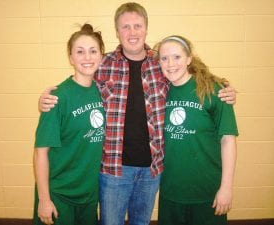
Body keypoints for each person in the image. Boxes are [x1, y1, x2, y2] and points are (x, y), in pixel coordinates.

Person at [38, 3, 237, 225]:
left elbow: (189, 76)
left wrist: (223, 90)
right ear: (117, 32)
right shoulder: (103, 64)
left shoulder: (161, 62)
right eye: (125, 27)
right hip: (114, 170)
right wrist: (48, 96)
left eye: (137, 26)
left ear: (146, 28)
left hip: (151, 170)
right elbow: (80, 78)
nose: (132, 32)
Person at [155, 35, 238, 225]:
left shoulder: (214, 91)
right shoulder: (159, 92)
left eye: (177, 57)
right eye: (164, 58)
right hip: (171, 192)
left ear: (189, 59)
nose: (170, 64)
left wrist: (226, 187)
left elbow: (228, 140)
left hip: (207, 193)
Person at [33, 24, 105, 225]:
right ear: (71, 58)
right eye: (80, 52)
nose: (87, 57)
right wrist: (44, 200)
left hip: (89, 195)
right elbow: (41, 153)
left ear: (101, 56)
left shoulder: (106, 92)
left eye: (93, 51)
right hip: (59, 195)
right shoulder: (57, 98)